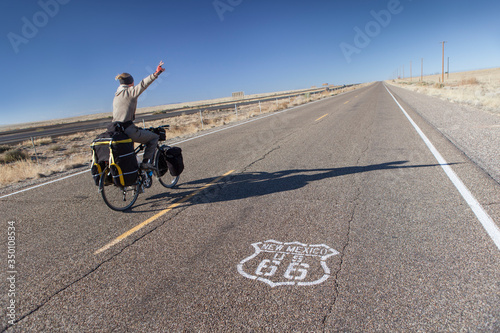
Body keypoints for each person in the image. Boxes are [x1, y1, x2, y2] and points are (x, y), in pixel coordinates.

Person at [112, 61, 166, 170]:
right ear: (130, 82)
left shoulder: (116, 95)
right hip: (128, 129)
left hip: (116, 130)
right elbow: (143, 85)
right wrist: (156, 73)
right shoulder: (129, 92)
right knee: (154, 137)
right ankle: (145, 163)